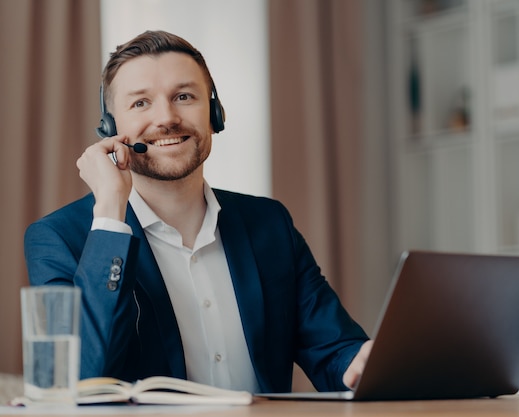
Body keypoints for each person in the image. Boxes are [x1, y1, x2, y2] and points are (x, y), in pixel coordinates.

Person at [23, 30, 371, 394]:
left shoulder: (269, 224)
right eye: (140, 103)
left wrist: (363, 360)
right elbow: (80, 380)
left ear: (215, 114)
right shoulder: (59, 238)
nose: (167, 118)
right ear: (110, 129)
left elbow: (334, 350)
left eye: (184, 96)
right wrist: (110, 212)